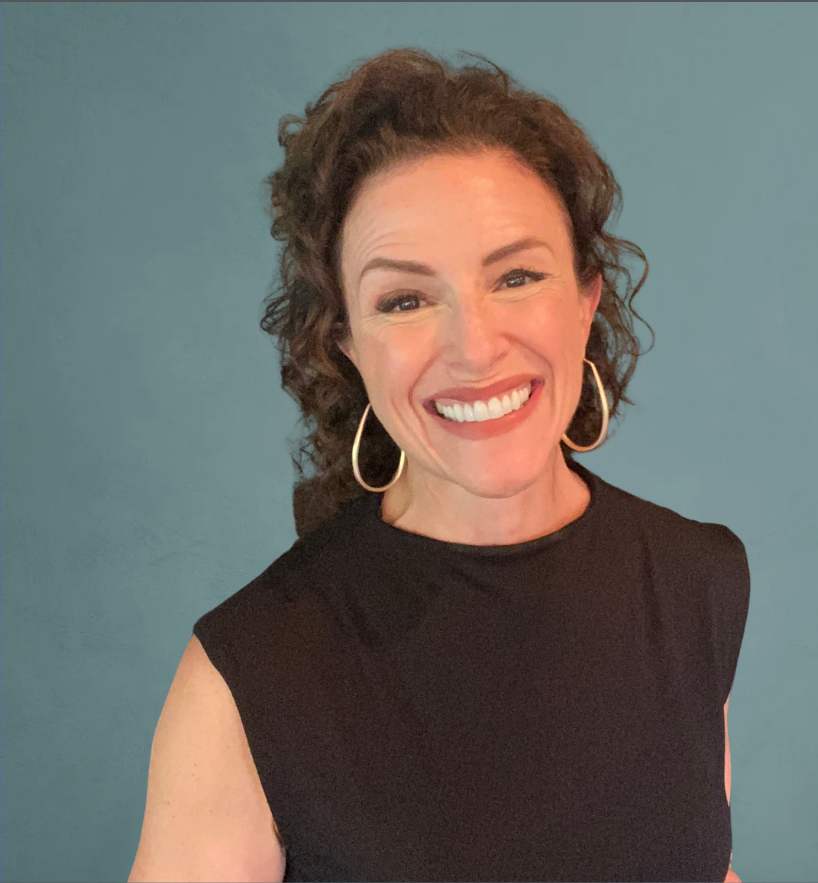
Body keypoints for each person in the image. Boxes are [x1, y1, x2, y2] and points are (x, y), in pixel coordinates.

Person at [128, 48, 750, 883]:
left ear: (584, 300)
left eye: (517, 276)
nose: (475, 347)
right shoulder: (249, 671)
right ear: (346, 345)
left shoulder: (694, 578)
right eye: (405, 299)